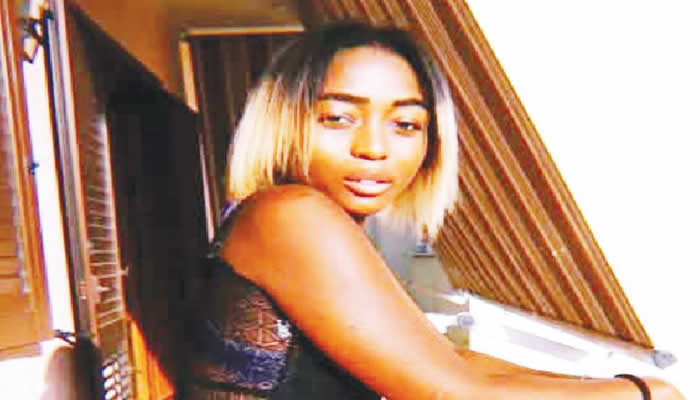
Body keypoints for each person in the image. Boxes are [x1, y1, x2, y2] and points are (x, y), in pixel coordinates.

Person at [185, 23, 684, 399]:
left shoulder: (306, 222)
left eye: (405, 124)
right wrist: (646, 393)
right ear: (284, 121)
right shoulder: (292, 216)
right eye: (338, 118)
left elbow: (448, 361)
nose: (374, 147)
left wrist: (601, 383)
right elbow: (452, 394)